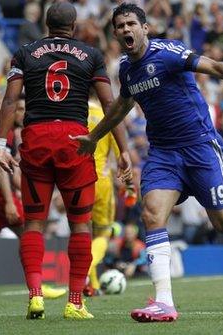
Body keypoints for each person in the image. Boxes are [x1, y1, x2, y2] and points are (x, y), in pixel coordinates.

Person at [72, 3, 223, 322]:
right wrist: (94, 137)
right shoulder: (126, 69)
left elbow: (215, 67)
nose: (125, 30)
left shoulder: (169, 53)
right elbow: (121, 107)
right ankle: (163, 302)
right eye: (119, 25)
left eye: (131, 23)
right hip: (164, 153)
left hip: (201, 147)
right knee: (151, 214)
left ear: (145, 28)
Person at [0, 2, 132, 320]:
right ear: (74, 25)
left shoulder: (25, 53)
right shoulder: (91, 55)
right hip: (75, 142)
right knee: (80, 225)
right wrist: (123, 148)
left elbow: (11, 99)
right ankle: (74, 302)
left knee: (34, 224)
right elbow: (112, 104)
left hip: (36, 138)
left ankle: (35, 296)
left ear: (46, 23)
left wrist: (2, 143)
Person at [0, 100, 66, 301]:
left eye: (26, 109)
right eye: (20, 109)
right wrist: (9, 201)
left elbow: (12, 172)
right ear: (12, 111)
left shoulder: (13, 134)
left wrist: (22, 189)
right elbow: (1, 168)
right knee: (30, 233)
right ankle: (37, 286)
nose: (24, 113)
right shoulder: (4, 133)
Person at [83, 99, 137, 297]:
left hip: (77, 180)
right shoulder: (109, 114)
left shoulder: (74, 110)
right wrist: (129, 185)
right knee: (103, 234)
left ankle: (93, 285)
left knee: (83, 233)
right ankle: (88, 271)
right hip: (101, 180)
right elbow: (120, 153)